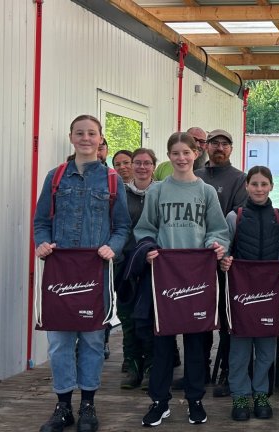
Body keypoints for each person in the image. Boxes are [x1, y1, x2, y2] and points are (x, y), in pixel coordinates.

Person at [34, 114, 131, 432]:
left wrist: (112, 247)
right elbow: (41, 222)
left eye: (92, 133)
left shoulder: (113, 181)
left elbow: (123, 227)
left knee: (91, 341)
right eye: (80, 133)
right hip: (60, 273)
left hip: (95, 273)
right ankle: (62, 407)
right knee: (59, 342)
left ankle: (88, 405)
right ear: (71, 137)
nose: (86, 138)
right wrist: (42, 243)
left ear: (100, 139)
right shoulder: (56, 177)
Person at [136, 132, 230, 427]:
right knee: (162, 342)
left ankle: (195, 400)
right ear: (169, 156)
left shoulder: (206, 192)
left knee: (196, 341)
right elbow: (145, 229)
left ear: (195, 154)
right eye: (175, 153)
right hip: (164, 276)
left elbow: (218, 229)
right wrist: (150, 248)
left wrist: (215, 245)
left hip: (197, 275)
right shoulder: (157, 191)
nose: (181, 158)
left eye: (186, 153)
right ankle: (159, 401)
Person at [219, 166, 279, 422]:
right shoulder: (234, 216)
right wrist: (224, 261)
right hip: (241, 292)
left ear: (271, 186)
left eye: (264, 184)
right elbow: (225, 249)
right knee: (239, 349)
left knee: (266, 349)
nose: (259, 189)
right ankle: (240, 395)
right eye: (255, 184)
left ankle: (260, 393)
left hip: (269, 292)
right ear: (246, 186)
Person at [196, 128, 248, 398]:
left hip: (225, 258)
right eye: (214, 143)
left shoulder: (240, 179)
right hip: (195, 260)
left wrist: (222, 249)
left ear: (231, 148)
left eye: (225, 144)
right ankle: (200, 370)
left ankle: (228, 370)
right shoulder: (196, 176)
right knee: (199, 316)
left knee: (227, 317)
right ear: (206, 147)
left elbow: (235, 216)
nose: (219, 147)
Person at [118, 148, 158, 390]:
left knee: (151, 318)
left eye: (147, 163)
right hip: (125, 264)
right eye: (137, 163)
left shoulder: (162, 191)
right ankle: (133, 367)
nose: (142, 167)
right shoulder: (120, 193)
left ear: (154, 166)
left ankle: (153, 367)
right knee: (128, 317)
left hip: (153, 263)